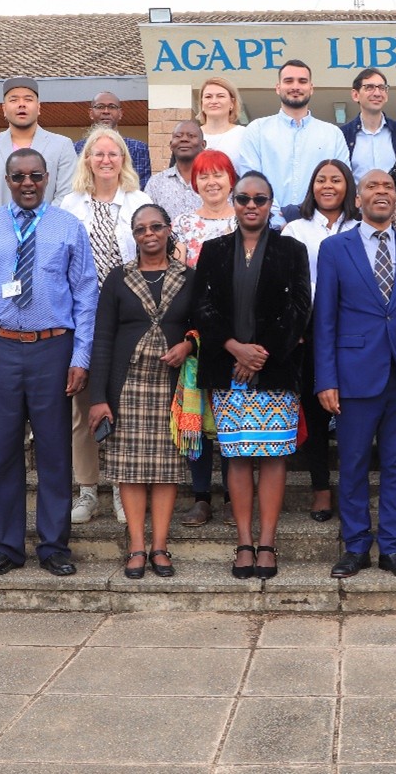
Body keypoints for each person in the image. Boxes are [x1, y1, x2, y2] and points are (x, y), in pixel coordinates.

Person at [0, 148, 98, 577]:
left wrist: (81, 355)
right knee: (0, 454)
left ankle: (54, 546)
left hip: (53, 349)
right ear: (7, 180)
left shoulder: (69, 227)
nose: (28, 183)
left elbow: (86, 297)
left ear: (48, 177)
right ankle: (8, 547)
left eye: (36, 175)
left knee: (55, 450)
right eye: (19, 177)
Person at [192, 171, 311, 580]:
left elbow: (300, 309)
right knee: (238, 456)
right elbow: (202, 307)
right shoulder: (213, 250)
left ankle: (268, 543)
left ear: (270, 204)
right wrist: (233, 347)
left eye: (260, 199)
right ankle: (244, 541)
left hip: (275, 370)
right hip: (228, 371)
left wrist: (259, 354)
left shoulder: (291, 250)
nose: (251, 206)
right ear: (234, 202)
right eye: (243, 199)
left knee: (274, 457)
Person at [317, 169, 396, 580]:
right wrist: (326, 379)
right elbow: (325, 319)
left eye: (388, 187)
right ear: (358, 198)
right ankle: (355, 546)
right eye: (372, 187)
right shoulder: (334, 249)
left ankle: (392, 547)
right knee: (353, 463)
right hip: (353, 376)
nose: (381, 192)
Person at [88, 205, 196, 579]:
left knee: (166, 470)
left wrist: (189, 345)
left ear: (168, 230)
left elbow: (204, 327)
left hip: (172, 386)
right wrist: (98, 397)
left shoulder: (190, 277)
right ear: (133, 236)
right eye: (140, 229)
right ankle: (136, 547)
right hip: (128, 386)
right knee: (131, 471)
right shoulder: (118, 279)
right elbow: (102, 338)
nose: (149, 234)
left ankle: (160, 547)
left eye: (156, 227)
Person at [60, 125, 152, 524]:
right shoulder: (69, 204)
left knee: (123, 405)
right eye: (98, 154)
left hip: (127, 316)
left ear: (123, 160)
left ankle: (120, 487)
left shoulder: (139, 201)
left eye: (113, 154)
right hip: (82, 315)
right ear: (87, 160)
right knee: (83, 408)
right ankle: (86, 490)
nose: (106, 160)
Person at [282, 159, 359, 522]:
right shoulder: (295, 229)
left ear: (348, 187)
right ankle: (321, 489)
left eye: (336, 180)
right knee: (314, 412)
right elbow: (287, 284)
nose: (328, 186)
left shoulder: (361, 228)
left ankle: (352, 487)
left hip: (355, 331)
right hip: (310, 331)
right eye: (321, 180)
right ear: (311, 186)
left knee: (352, 411)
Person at [172, 148, 240, 526]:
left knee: (232, 415)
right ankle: (201, 496)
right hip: (196, 332)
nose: (211, 182)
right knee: (197, 415)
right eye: (203, 175)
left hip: (238, 335)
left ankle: (233, 495)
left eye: (218, 174)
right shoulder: (183, 224)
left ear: (231, 178)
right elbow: (181, 279)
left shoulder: (246, 220)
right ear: (194, 182)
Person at [237, 60, 349, 217]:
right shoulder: (257, 130)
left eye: (302, 81)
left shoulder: (333, 134)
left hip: (319, 227)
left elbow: (342, 184)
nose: (295, 86)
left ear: (311, 88)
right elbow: (251, 181)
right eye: (288, 81)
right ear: (278, 88)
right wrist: (277, 219)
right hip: (269, 227)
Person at [0, 77, 78, 216]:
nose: (21, 104)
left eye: (28, 99)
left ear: (38, 107)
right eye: (14, 100)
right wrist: (0, 227)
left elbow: (67, 194)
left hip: (49, 232)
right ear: (4, 108)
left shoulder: (62, 145)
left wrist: (43, 224)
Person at [339, 67, 396, 181]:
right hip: (357, 198)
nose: (377, 93)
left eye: (382, 88)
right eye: (369, 87)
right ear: (355, 95)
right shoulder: (342, 134)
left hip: (395, 198)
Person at [75, 91, 152, 190]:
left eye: (112, 107)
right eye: (100, 107)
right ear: (91, 113)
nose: (106, 111)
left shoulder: (139, 149)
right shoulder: (76, 148)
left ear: (120, 114)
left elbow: (142, 187)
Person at [148, 120, 206, 222]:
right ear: (171, 145)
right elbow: (148, 219)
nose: (184, 139)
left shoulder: (215, 180)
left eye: (191, 136)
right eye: (178, 136)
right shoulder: (156, 183)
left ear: (203, 145)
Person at [195, 76, 247, 161]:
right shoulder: (192, 136)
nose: (214, 101)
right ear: (201, 104)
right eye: (208, 97)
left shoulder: (244, 134)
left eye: (220, 96)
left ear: (232, 103)